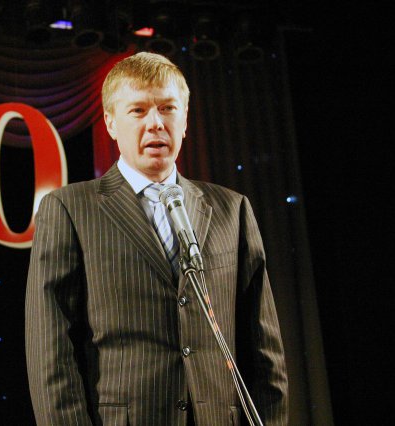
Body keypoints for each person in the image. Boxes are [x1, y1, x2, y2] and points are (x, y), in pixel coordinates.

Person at [25, 52, 288, 426]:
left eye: (167, 108)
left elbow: (264, 347)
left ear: (184, 120)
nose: (155, 123)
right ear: (111, 122)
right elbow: (50, 348)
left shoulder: (232, 209)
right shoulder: (70, 209)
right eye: (138, 110)